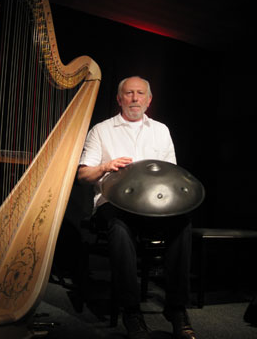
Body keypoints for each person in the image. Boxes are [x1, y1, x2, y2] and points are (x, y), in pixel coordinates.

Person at [78, 76, 196, 339]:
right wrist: (105, 167)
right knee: (119, 228)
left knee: (182, 223)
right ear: (119, 99)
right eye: (128, 93)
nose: (134, 98)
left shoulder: (161, 130)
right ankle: (131, 310)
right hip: (113, 205)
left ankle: (176, 308)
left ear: (149, 99)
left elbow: (172, 173)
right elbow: (83, 176)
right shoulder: (101, 130)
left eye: (140, 93)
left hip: (152, 208)